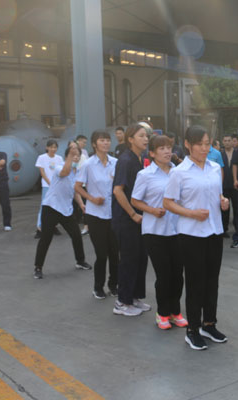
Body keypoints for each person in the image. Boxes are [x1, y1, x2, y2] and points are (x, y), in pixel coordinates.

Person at [163, 125, 230, 351]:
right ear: (188, 144)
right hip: (191, 234)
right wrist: (191, 213)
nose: (204, 148)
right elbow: (168, 202)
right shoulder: (179, 172)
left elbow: (217, 194)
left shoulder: (214, 168)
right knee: (195, 283)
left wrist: (223, 201)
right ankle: (192, 329)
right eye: (199, 144)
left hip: (214, 231)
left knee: (212, 281)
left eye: (207, 144)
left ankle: (209, 324)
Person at [131, 135, 188, 330]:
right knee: (164, 275)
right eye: (161, 148)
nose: (167, 151)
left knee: (178, 275)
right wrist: (152, 210)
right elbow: (135, 200)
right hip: (154, 231)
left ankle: (175, 312)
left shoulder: (178, 172)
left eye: (168, 148)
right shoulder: (145, 175)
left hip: (177, 229)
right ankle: (162, 313)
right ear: (152, 153)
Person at [33, 142, 92, 279]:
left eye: (77, 155)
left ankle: (80, 261)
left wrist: (81, 204)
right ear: (67, 157)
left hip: (66, 210)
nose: (76, 157)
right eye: (73, 155)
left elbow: (75, 191)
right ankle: (38, 267)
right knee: (46, 238)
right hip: (51, 208)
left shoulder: (77, 173)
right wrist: (70, 156)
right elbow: (65, 172)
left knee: (76, 235)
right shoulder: (60, 167)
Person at [74, 130, 118, 299]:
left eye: (107, 140)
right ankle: (98, 287)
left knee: (115, 253)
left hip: (113, 214)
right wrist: (91, 199)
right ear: (94, 144)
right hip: (95, 215)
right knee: (101, 254)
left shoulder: (115, 162)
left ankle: (114, 285)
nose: (106, 143)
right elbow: (77, 186)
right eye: (102, 140)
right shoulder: (88, 164)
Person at [112, 123, 150, 317]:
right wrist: (132, 214)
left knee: (141, 258)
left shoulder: (139, 158)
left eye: (146, 136)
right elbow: (118, 190)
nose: (146, 139)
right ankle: (122, 302)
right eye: (141, 135)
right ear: (130, 139)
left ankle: (134, 297)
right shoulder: (125, 160)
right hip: (126, 219)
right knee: (128, 260)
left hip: (139, 218)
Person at [35, 140, 64, 239]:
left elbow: (61, 172)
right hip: (47, 186)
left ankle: (53, 226)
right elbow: (42, 172)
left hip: (57, 186)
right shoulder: (42, 157)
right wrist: (49, 183)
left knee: (56, 207)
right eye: (51, 147)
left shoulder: (59, 158)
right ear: (47, 147)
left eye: (55, 147)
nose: (53, 149)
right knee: (44, 206)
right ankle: (39, 228)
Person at [221, 133, 237, 236]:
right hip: (224, 185)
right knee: (224, 208)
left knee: (237, 207)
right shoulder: (220, 154)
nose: (227, 142)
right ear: (223, 142)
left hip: (236, 185)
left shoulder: (237, 153)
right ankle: (224, 229)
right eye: (225, 141)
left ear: (232, 141)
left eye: (229, 140)